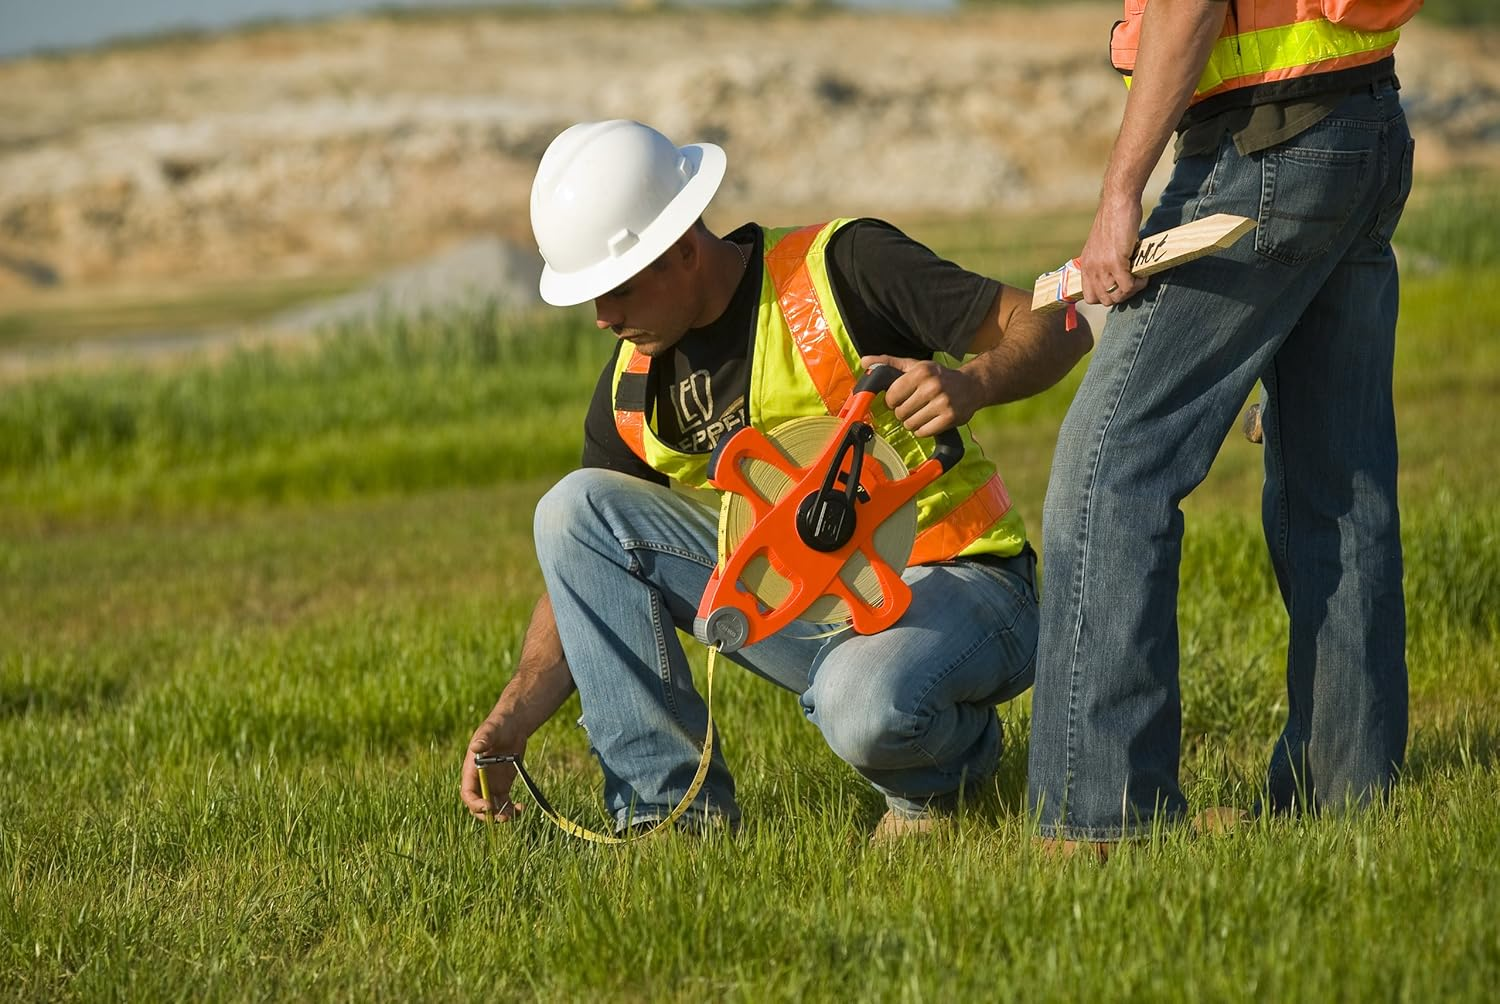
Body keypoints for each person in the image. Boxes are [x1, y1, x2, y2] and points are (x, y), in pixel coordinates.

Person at [459, 119, 1092, 839]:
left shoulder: (842, 269)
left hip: (964, 582)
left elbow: (1060, 324)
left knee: (860, 703)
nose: (604, 318)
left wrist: (974, 383)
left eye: (620, 288)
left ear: (683, 249)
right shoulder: (633, 385)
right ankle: (671, 820)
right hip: (817, 607)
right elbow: (585, 565)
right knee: (574, 509)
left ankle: (951, 769)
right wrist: (513, 713)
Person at [1029, 0, 1419, 850]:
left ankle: (1102, 819)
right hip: (1365, 122)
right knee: (1339, 483)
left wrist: (1119, 194)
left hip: (1264, 143)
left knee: (1110, 470)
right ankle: (1345, 799)